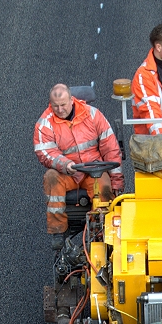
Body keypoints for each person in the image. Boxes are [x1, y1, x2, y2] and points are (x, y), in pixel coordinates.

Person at [34, 83, 124, 238]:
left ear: (72, 100)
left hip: (94, 172)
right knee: (51, 177)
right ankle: (58, 231)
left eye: (63, 105)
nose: (60, 110)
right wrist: (65, 164)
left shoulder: (93, 115)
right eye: (56, 106)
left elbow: (111, 149)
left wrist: (117, 181)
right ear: (50, 104)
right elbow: (45, 152)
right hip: (67, 173)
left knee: (104, 188)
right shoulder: (45, 124)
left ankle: (101, 232)